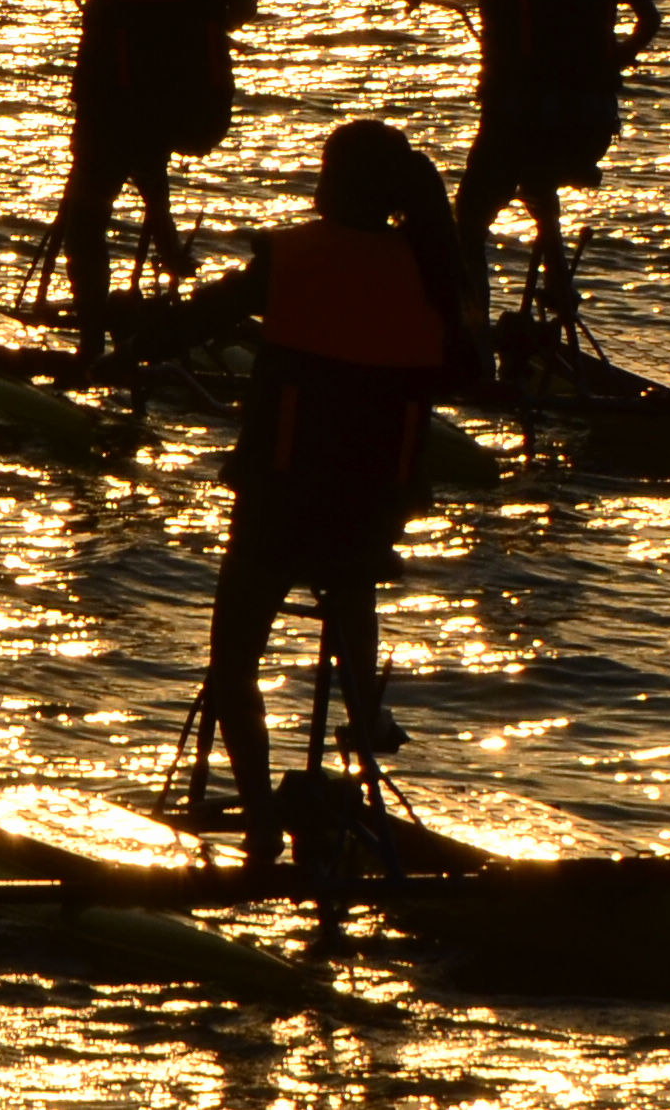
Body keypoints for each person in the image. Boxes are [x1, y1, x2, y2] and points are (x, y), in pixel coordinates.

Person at [164, 119, 479, 855]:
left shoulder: (292, 258)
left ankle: (260, 825)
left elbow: (195, 320)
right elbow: (465, 371)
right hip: (372, 508)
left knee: (233, 664)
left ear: (335, 182)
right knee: (350, 587)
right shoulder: (432, 271)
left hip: (280, 500)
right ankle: (363, 719)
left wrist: (123, 347)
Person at [387, 0, 663, 301]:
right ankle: (556, 276)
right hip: (592, 120)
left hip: (519, 114)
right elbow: (649, 21)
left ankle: (473, 320)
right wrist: (610, 62)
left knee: (469, 218)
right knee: (540, 177)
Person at [9, 0, 259, 341]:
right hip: (197, 103)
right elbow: (244, 4)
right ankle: (164, 236)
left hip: (117, 102)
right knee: (149, 131)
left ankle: (92, 335)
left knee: (88, 213)